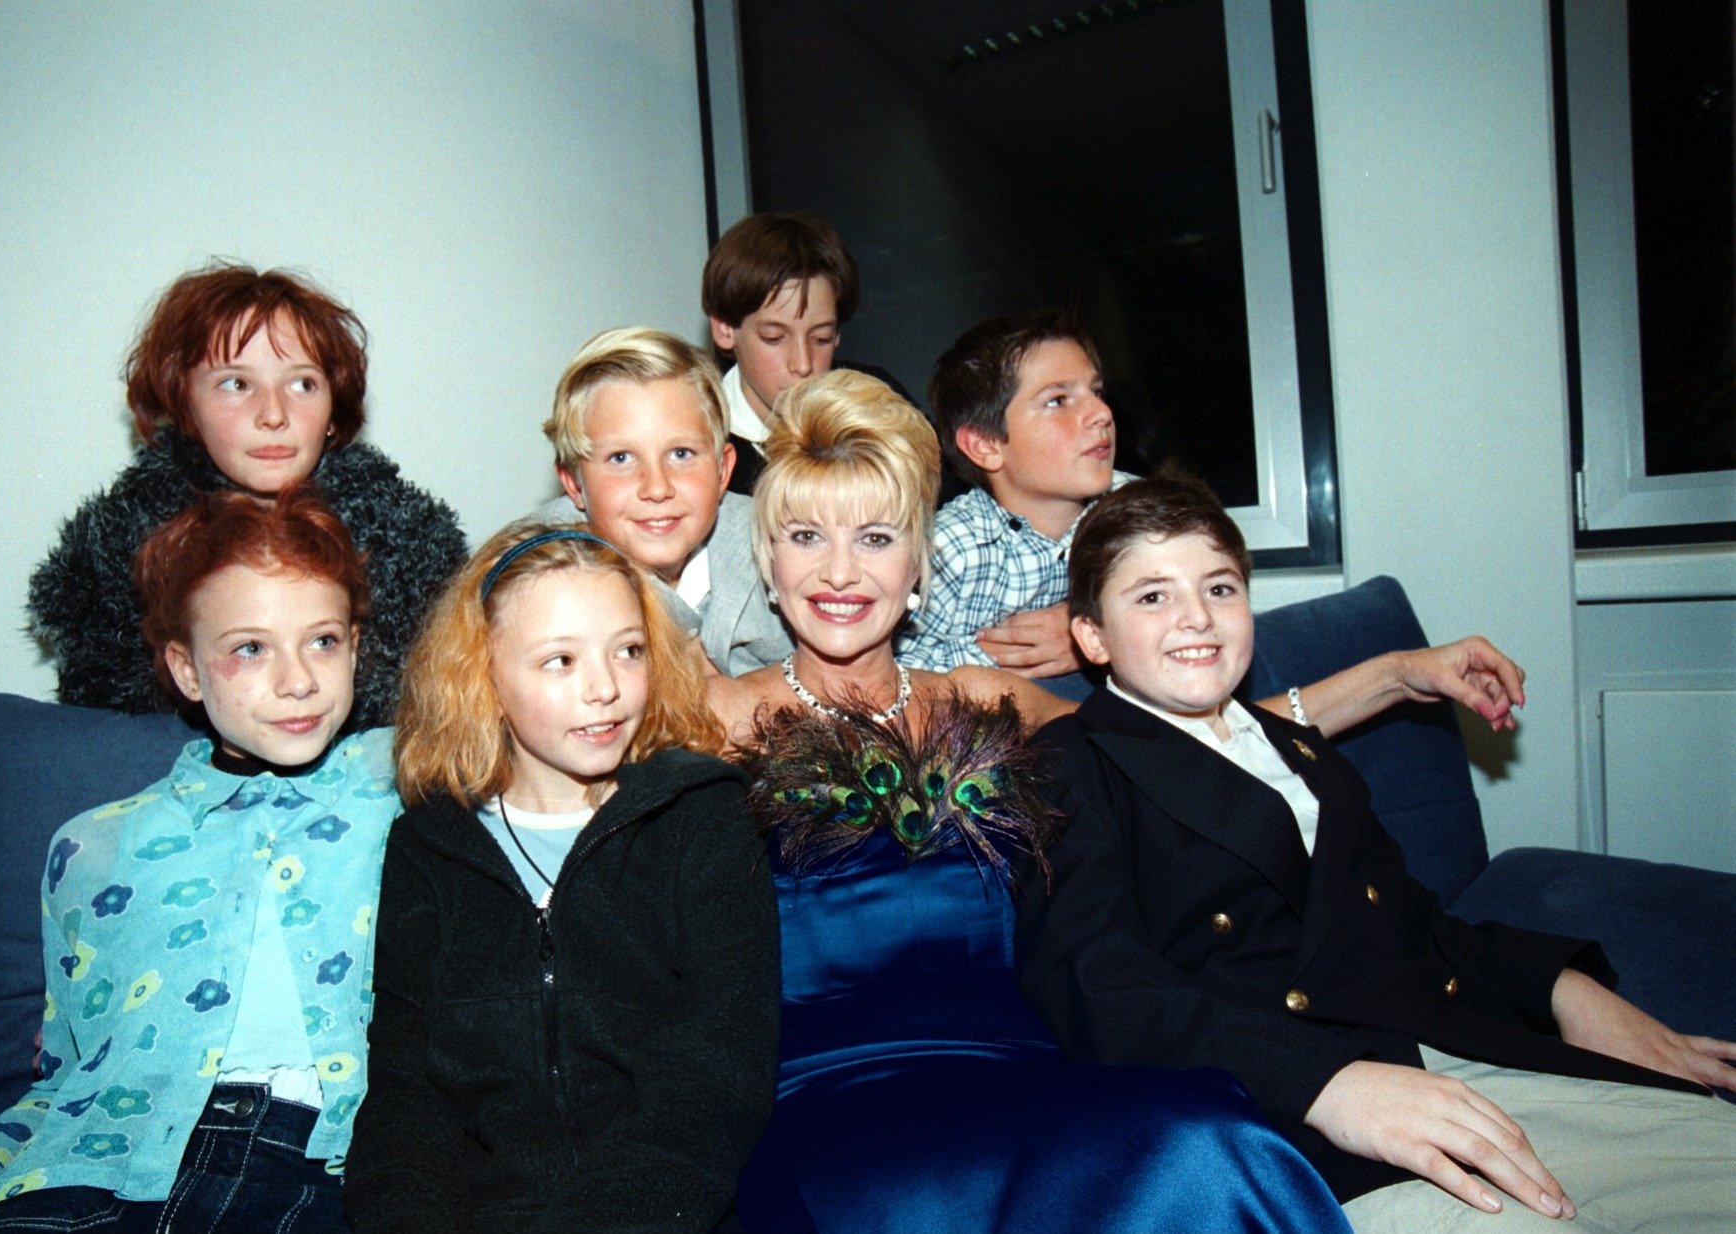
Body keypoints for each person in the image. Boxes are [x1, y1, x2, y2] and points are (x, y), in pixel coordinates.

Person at [709, 371, 1351, 1234]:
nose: (838, 572)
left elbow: (1177, 741)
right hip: (825, 1098)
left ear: (916, 567)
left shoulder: (983, 698)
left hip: (1023, 1058)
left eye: (874, 537)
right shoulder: (704, 716)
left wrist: (1382, 681)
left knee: (1209, 1137)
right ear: (768, 560)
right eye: (803, 536)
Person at [1015, 472, 1736, 1232]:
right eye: (1152, 596)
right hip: (1283, 1114)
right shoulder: (1069, 764)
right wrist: (1328, 1084)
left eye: (1220, 588)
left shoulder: (1299, 751)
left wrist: (1566, 992)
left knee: (1714, 1160)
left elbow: (1414, 923)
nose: (1197, 617)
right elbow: (1094, 985)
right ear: (1091, 636)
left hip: (1441, 1049)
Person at [0, 488, 399, 1234]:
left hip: (323, 1178)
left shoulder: (407, 780)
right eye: (250, 648)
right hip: (88, 1181)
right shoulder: (91, 850)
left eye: (322, 640)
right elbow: (67, 1089)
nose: (298, 680)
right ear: (188, 671)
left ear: (356, 646)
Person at [342, 523, 779, 1234]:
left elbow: (713, 1077)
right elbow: (406, 1094)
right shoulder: (429, 846)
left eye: (627, 651)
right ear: (483, 676)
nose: (605, 688)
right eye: (559, 661)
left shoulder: (699, 814)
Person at [905, 309, 1533, 735]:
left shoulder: (1139, 513)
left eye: (1096, 391)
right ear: (986, 445)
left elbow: (1229, 728)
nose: (1100, 414)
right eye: (1059, 400)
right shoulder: (950, 552)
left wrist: (1083, 628)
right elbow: (901, 683)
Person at [28, 262, 467, 732]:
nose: (274, 413)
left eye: (302, 384)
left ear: (334, 409)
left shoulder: (415, 554)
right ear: (184, 404)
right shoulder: (111, 567)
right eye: (236, 384)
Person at [536, 326, 792, 676]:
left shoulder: (779, 544)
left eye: (681, 453)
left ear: (722, 469)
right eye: (621, 458)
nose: (657, 488)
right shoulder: (537, 577)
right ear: (574, 484)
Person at [702, 212, 858, 494]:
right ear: (725, 329)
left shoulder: (877, 407)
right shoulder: (697, 441)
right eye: (774, 338)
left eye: (821, 338)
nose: (802, 364)